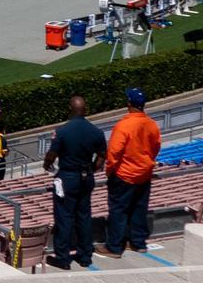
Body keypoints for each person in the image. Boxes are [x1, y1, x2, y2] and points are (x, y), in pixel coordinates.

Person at [40, 93, 105, 270]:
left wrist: (47, 165)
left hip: (67, 177)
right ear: (85, 110)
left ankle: (63, 258)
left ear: (71, 109)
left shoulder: (62, 131)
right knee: (84, 217)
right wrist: (91, 169)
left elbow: (51, 155)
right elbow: (101, 156)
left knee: (64, 218)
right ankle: (85, 256)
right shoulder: (96, 132)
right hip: (86, 177)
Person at [101, 88, 162, 258]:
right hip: (144, 174)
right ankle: (138, 243)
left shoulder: (124, 125)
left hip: (124, 175)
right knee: (139, 208)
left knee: (118, 210)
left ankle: (114, 247)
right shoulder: (151, 124)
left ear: (128, 103)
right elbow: (156, 147)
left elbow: (113, 153)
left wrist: (110, 171)